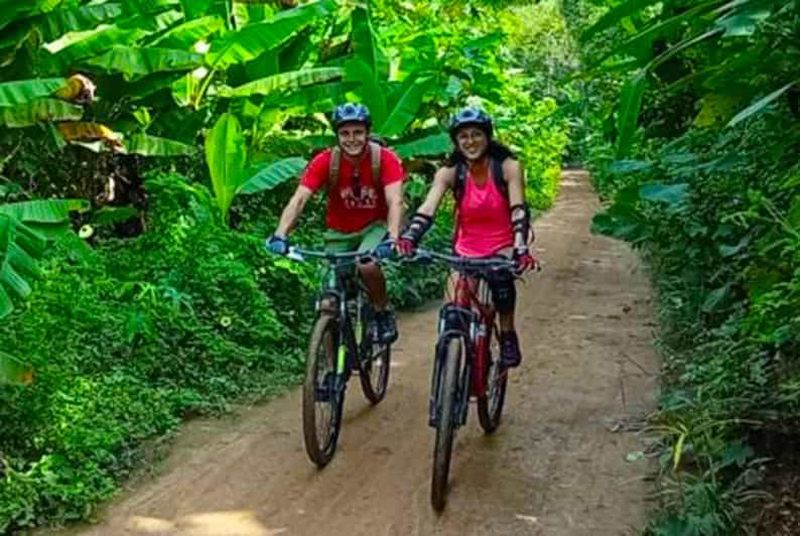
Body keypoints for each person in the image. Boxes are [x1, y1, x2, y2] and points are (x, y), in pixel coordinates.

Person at [397, 107, 537, 367]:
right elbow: (428, 208)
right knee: (453, 312)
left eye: (476, 135)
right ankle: (449, 374)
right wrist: (411, 236)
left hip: (502, 245)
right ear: (456, 141)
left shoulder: (508, 166)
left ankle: (507, 333)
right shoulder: (450, 172)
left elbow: (518, 208)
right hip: (466, 248)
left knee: (502, 283)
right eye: (463, 137)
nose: (470, 141)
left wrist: (520, 247)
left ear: (487, 137)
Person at [267, 103, 404, 343]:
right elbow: (299, 199)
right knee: (328, 301)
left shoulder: (384, 159)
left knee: (367, 263)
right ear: (337, 135)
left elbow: (396, 201)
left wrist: (392, 238)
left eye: (358, 132)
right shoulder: (325, 161)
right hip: (338, 233)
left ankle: (382, 312)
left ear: (367, 132)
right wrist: (280, 234)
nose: (352, 139)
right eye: (345, 133)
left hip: (374, 227)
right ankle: (331, 366)